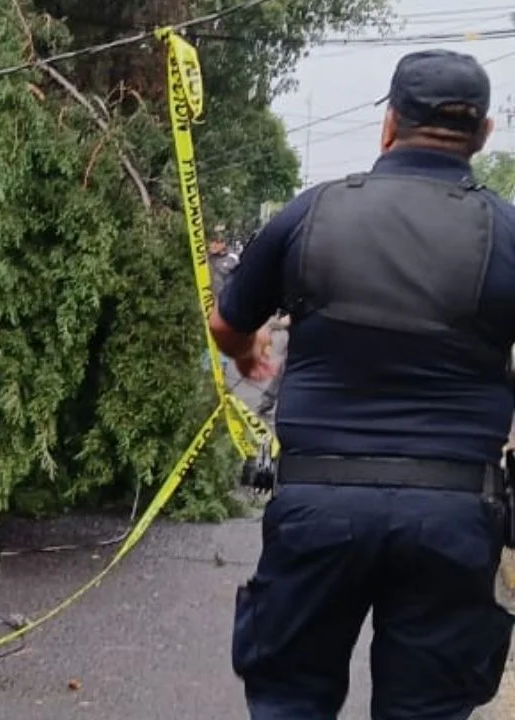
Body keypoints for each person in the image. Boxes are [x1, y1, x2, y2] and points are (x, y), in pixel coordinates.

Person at [212, 49, 515, 719]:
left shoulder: (310, 215)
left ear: (387, 124)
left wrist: (248, 352)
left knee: (291, 700)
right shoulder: (506, 231)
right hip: (452, 517)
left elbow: (228, 322)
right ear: (484, 135)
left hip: (319, 507)